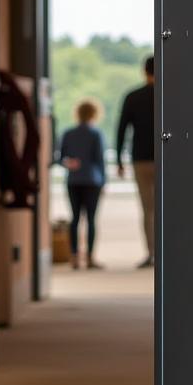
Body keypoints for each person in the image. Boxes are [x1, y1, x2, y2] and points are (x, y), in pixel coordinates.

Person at [116, 55, 155, 268]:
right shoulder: (171, 94)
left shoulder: (133, 97)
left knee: (147, 209)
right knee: (167, 206)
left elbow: (122, 128)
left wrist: (120, 160)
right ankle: (168, 251)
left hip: (140, 159)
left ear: (145, 71)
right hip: (166, 158)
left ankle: (152, 253)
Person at [59, 99, 106, 270]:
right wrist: (104, 182)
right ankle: (90, 257)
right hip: (93, 181)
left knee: (75, 218)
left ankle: (74, 257)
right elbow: (100, 161)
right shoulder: (96, 134)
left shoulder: (68, 133)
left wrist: (69, 163)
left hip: (74, 180)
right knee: (91, 219)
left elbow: (61, 158)